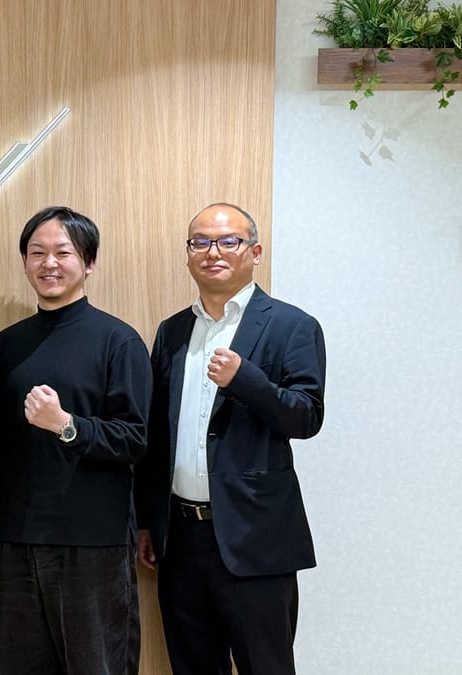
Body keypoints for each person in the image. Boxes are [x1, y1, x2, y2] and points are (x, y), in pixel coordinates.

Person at [135, 203, 327, 675]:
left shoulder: (291, 325)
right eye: (200, 242)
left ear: (254, 252)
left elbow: (306, 417)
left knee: (266, 665)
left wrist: (246, 380)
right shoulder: (173, 331)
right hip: (180, 538)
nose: (212, 252)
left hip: (255, 538)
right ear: (188, 254)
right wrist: (147, 521)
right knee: (192, 665)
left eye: (228, 241)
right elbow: (157, 434)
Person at [0, 206, 150, 674]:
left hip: (94, 543)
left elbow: (134, 439)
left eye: (63, 253)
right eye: (37, 253)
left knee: (97, 665)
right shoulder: (4, 346)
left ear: (89, 262)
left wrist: (68, 425)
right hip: (15, 541)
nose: (49, 263)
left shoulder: (118, 341)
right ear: (25, 263)